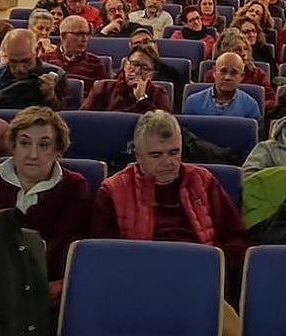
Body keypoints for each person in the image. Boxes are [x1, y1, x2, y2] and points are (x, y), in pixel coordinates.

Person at [90, 111, 250, 299]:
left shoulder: (203, 181)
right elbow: (103, 258)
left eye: (174, 153)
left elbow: (236, 240)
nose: (168, 163)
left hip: (200, 283)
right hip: (139, 286)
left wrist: (210, 267)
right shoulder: (112, 191)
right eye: (156, 155)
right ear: (138, 156)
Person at [0, 106, 91, 302]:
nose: (32, 154)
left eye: (43, 145)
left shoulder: (74, 187)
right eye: (24, 143)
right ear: (13, 146)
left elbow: (72, 249)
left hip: (42, 291)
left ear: (58, 150)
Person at [0, 28, 65, 110]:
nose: (19, 69)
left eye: (25, 61)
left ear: (37, 50)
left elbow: (66, 117)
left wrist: (50, 96)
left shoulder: (56, 75)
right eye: (13, 62)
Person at [202, 28, 276, 115]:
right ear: (226, 52)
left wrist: (252, 106)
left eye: (246, 49)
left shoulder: (259, 75)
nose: (244, 53)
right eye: (238, 50)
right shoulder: (212, 75)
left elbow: (271, 101)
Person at [81, 45, 172, 112]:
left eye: (145, 68)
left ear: (151, 75)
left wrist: (142, 99)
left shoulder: (159, 94)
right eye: (134, 64)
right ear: (125, 65)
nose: (137, 71)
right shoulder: (103, 87)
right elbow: (84, 118)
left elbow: (164, 127)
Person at [184, 51, 262, 120]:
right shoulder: (193, 102)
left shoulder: (250, 106)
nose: (227, 77)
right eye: (223, 71)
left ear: (241, 77)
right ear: (214, 72)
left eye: (234, 73)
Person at [46, 16, 108, 94]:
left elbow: (102, 95)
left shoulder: (95, 62)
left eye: (86, 34)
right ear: (63, 36)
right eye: (79, 34)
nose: (84, 39)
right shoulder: (45, 59)